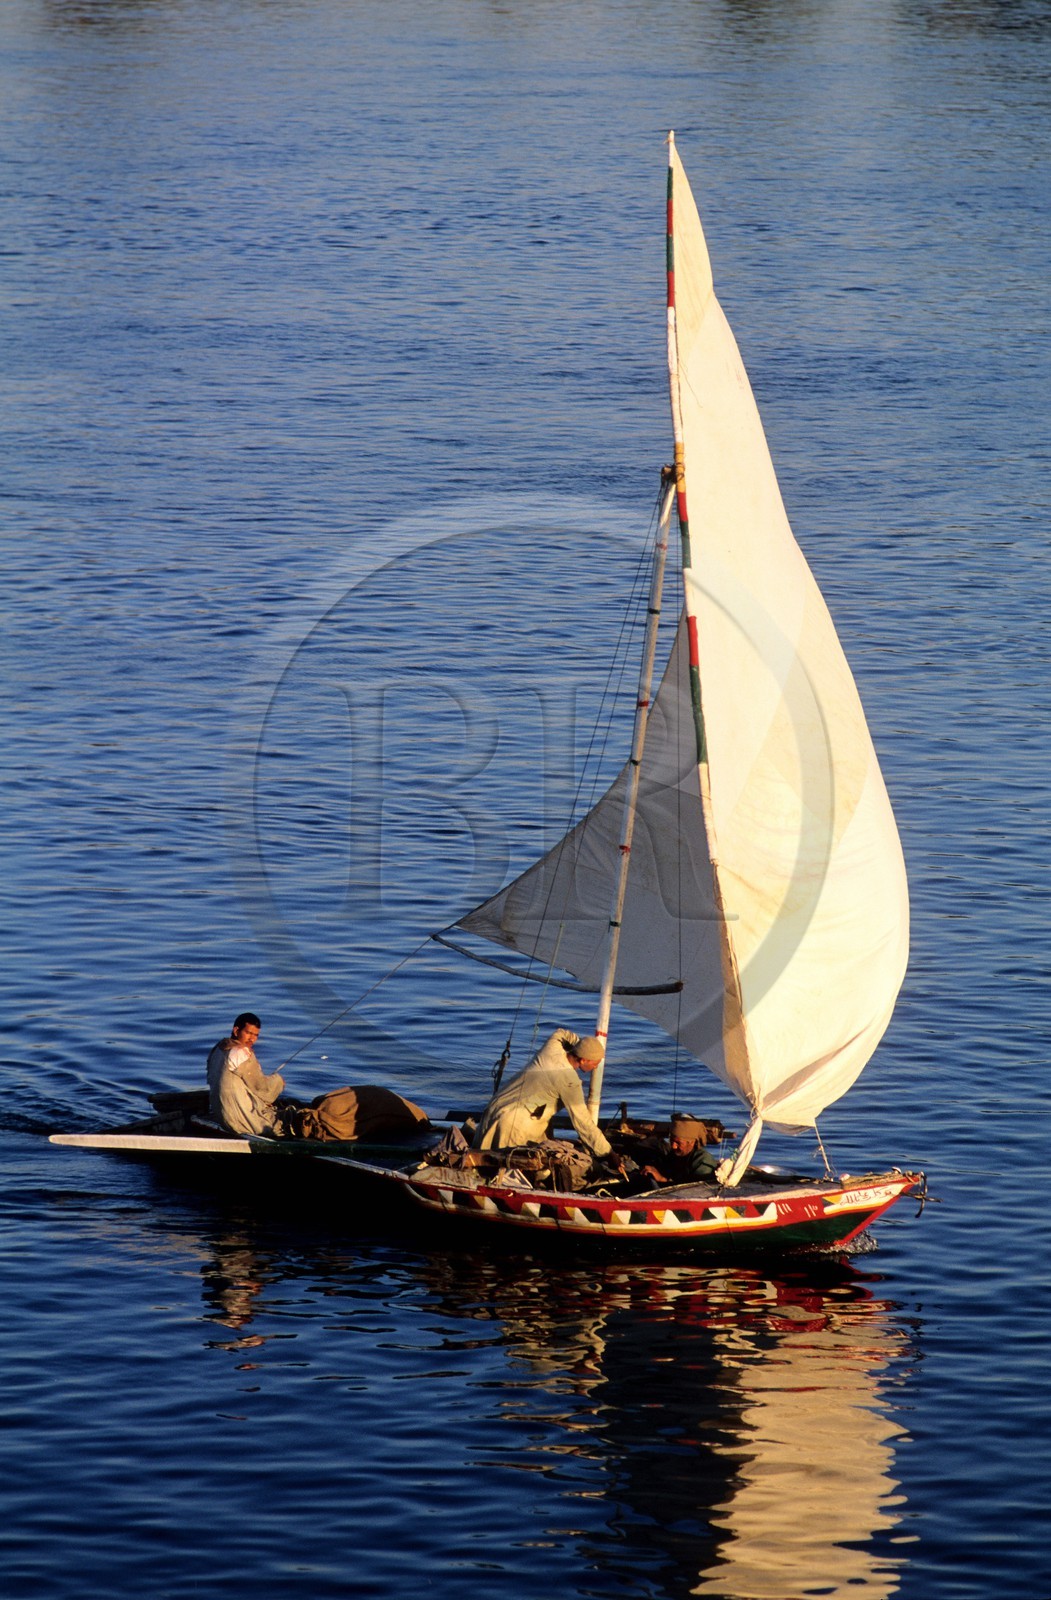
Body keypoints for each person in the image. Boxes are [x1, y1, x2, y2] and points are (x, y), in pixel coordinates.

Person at [473, 1029, 612, 1159]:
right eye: (595, 1064)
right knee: (509, 1168)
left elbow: (561, 1032)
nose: (596, 1067)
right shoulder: (569, 1082)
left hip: (495, 1107)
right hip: (514, 1125)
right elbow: (584, 1124)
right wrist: (608, 1153)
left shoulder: (551, 1048)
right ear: (583, 1060)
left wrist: (582, 1045)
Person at [206, 1012, 286, 1137]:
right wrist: (279, 1081)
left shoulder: (218, 1048)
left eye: (256, 1035)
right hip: (239, 1121)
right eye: (248, 1033)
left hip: (220, 1115)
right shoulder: (241, 1052)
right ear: (236, 1030)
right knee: (288, 1119)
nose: (252, 1039)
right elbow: (262, 1089)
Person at [641, 1113, 720, 1186]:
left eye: (678, 1143)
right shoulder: (674, 1155)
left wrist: (663, 1180)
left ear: (691, 1142)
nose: (673, 1146)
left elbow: (697, 1190)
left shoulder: (702, 1161)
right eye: (671, 1140)